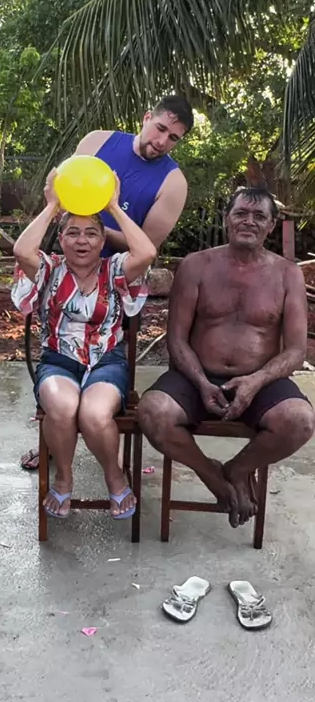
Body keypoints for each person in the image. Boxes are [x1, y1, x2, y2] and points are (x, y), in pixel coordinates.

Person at [20, 94, 194, 469]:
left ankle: (105, 436)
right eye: (160, 128)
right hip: (67, 269)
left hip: (118, 280)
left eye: (173, 138)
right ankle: (51, 443)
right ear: (146, 118)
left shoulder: (174, 183)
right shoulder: (97, 141)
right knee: (57, 355)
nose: (162, 141)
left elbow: (145, 247)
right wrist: (76, 227)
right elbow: (64, 197)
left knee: (108, 364)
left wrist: (97, 227)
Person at [138, 186, 314, 528]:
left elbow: (296, 350)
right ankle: (213, 476)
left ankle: (236, 469)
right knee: (152, 412)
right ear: (226, 219)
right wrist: (201, 383)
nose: (249, 221)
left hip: (261, 380)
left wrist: (255, 381)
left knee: (300, 421)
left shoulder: (287, 273)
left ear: (271, 226)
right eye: (241, 213)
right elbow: (176, 339)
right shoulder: (196, 265)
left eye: (259, 216)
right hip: (196, 376)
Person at [12, 169, 156, 519]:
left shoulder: (114, 270)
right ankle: (63, 477)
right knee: (63, 408)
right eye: (73, 232)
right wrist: (53, 205)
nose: (82, 241)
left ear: (103, 240)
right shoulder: (50, 269)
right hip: (58, 362)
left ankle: (114, 476)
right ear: (61, 239)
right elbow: (21, 250)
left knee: (93, 414)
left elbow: (147, 252)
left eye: (91, 233)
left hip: (106, 362)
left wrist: (112, 206)